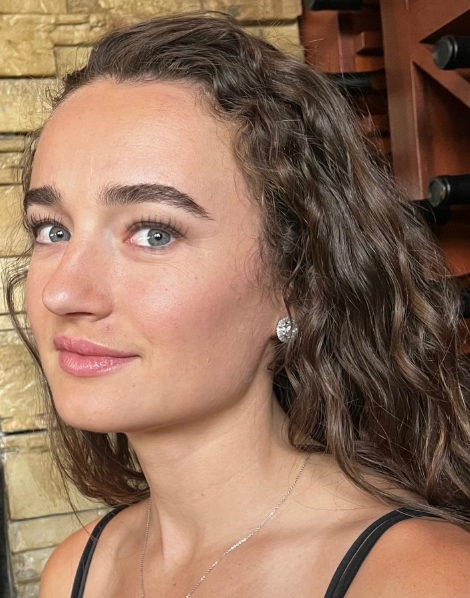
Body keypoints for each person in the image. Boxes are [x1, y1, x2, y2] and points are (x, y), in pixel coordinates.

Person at [5, 11, 470, 598]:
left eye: (153, 233)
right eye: (52, 230)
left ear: (298, 281)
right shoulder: (77, 572)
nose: (63, 292)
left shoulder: (423, 579)